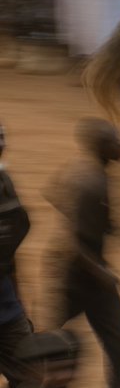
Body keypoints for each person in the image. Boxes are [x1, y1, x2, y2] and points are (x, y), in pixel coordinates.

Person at [42, 119, 120, 388]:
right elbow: (74, 243)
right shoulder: (91, 183)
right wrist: (100, 272)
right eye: (115, 141)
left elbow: (51, 193)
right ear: (101, 147)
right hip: (74, 273)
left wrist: (101, 224)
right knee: (56, 345)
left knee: (119, 342)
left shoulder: (83, 169)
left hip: (85, 268)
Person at [0, 124, 35, 388]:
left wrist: (20, 304)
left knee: (31, 375)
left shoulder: (5, 185)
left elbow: (9, 253)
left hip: (7, 309)